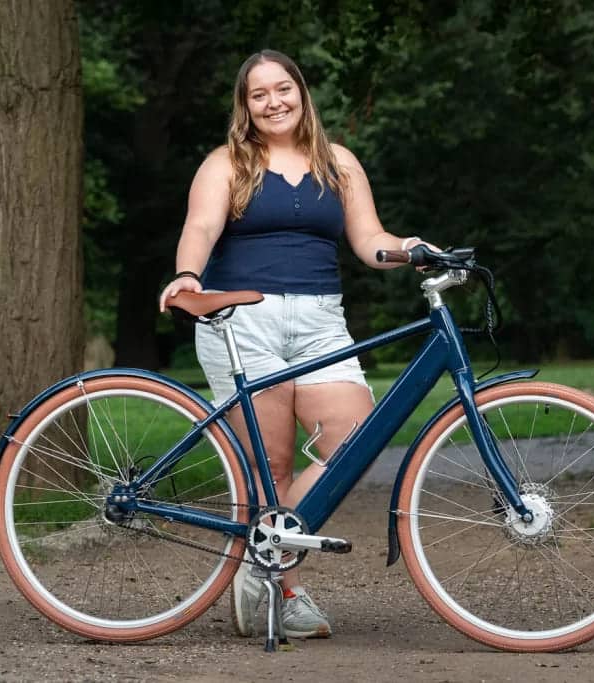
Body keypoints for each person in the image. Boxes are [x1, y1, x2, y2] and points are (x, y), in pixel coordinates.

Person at [159, 49, 435, 639]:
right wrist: (187, 273)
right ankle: (277, 587)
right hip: (243, 319)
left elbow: (368, 239)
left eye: (282, 89)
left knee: (356, 437)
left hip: (320, 323)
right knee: (271, 464)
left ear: (301, 94)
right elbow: (201, 228)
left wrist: (408, 249)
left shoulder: (338, 163)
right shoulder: (226, 164)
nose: (273, 102)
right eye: (259, 95)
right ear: (246, 106)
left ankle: (266, 553)